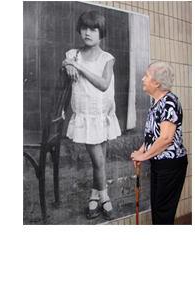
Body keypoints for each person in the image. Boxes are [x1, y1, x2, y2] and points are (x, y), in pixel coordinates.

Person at [62, 11, 121, 220]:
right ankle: (105, 197)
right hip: (86, 117)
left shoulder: (107, 58)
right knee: (98, 162)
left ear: (101, 33)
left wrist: (77, 67)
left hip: (102, 115)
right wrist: (68, 63)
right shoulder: (73, 55)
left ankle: (94, 195)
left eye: (93, 29)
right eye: (85, 28)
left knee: (100, 161)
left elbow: (104, 85)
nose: (88, 33)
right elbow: (65, 63)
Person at [131, 61, 188, 225]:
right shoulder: (155, 101)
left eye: (146, 76)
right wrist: (142, 152)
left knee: (163, 211)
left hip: (170, 166)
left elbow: (165, 139)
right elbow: (151, 135)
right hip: (159, 164)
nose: (143, 79)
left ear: (157, 83)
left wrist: (144, 157)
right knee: (157, 208)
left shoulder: (169, 102)